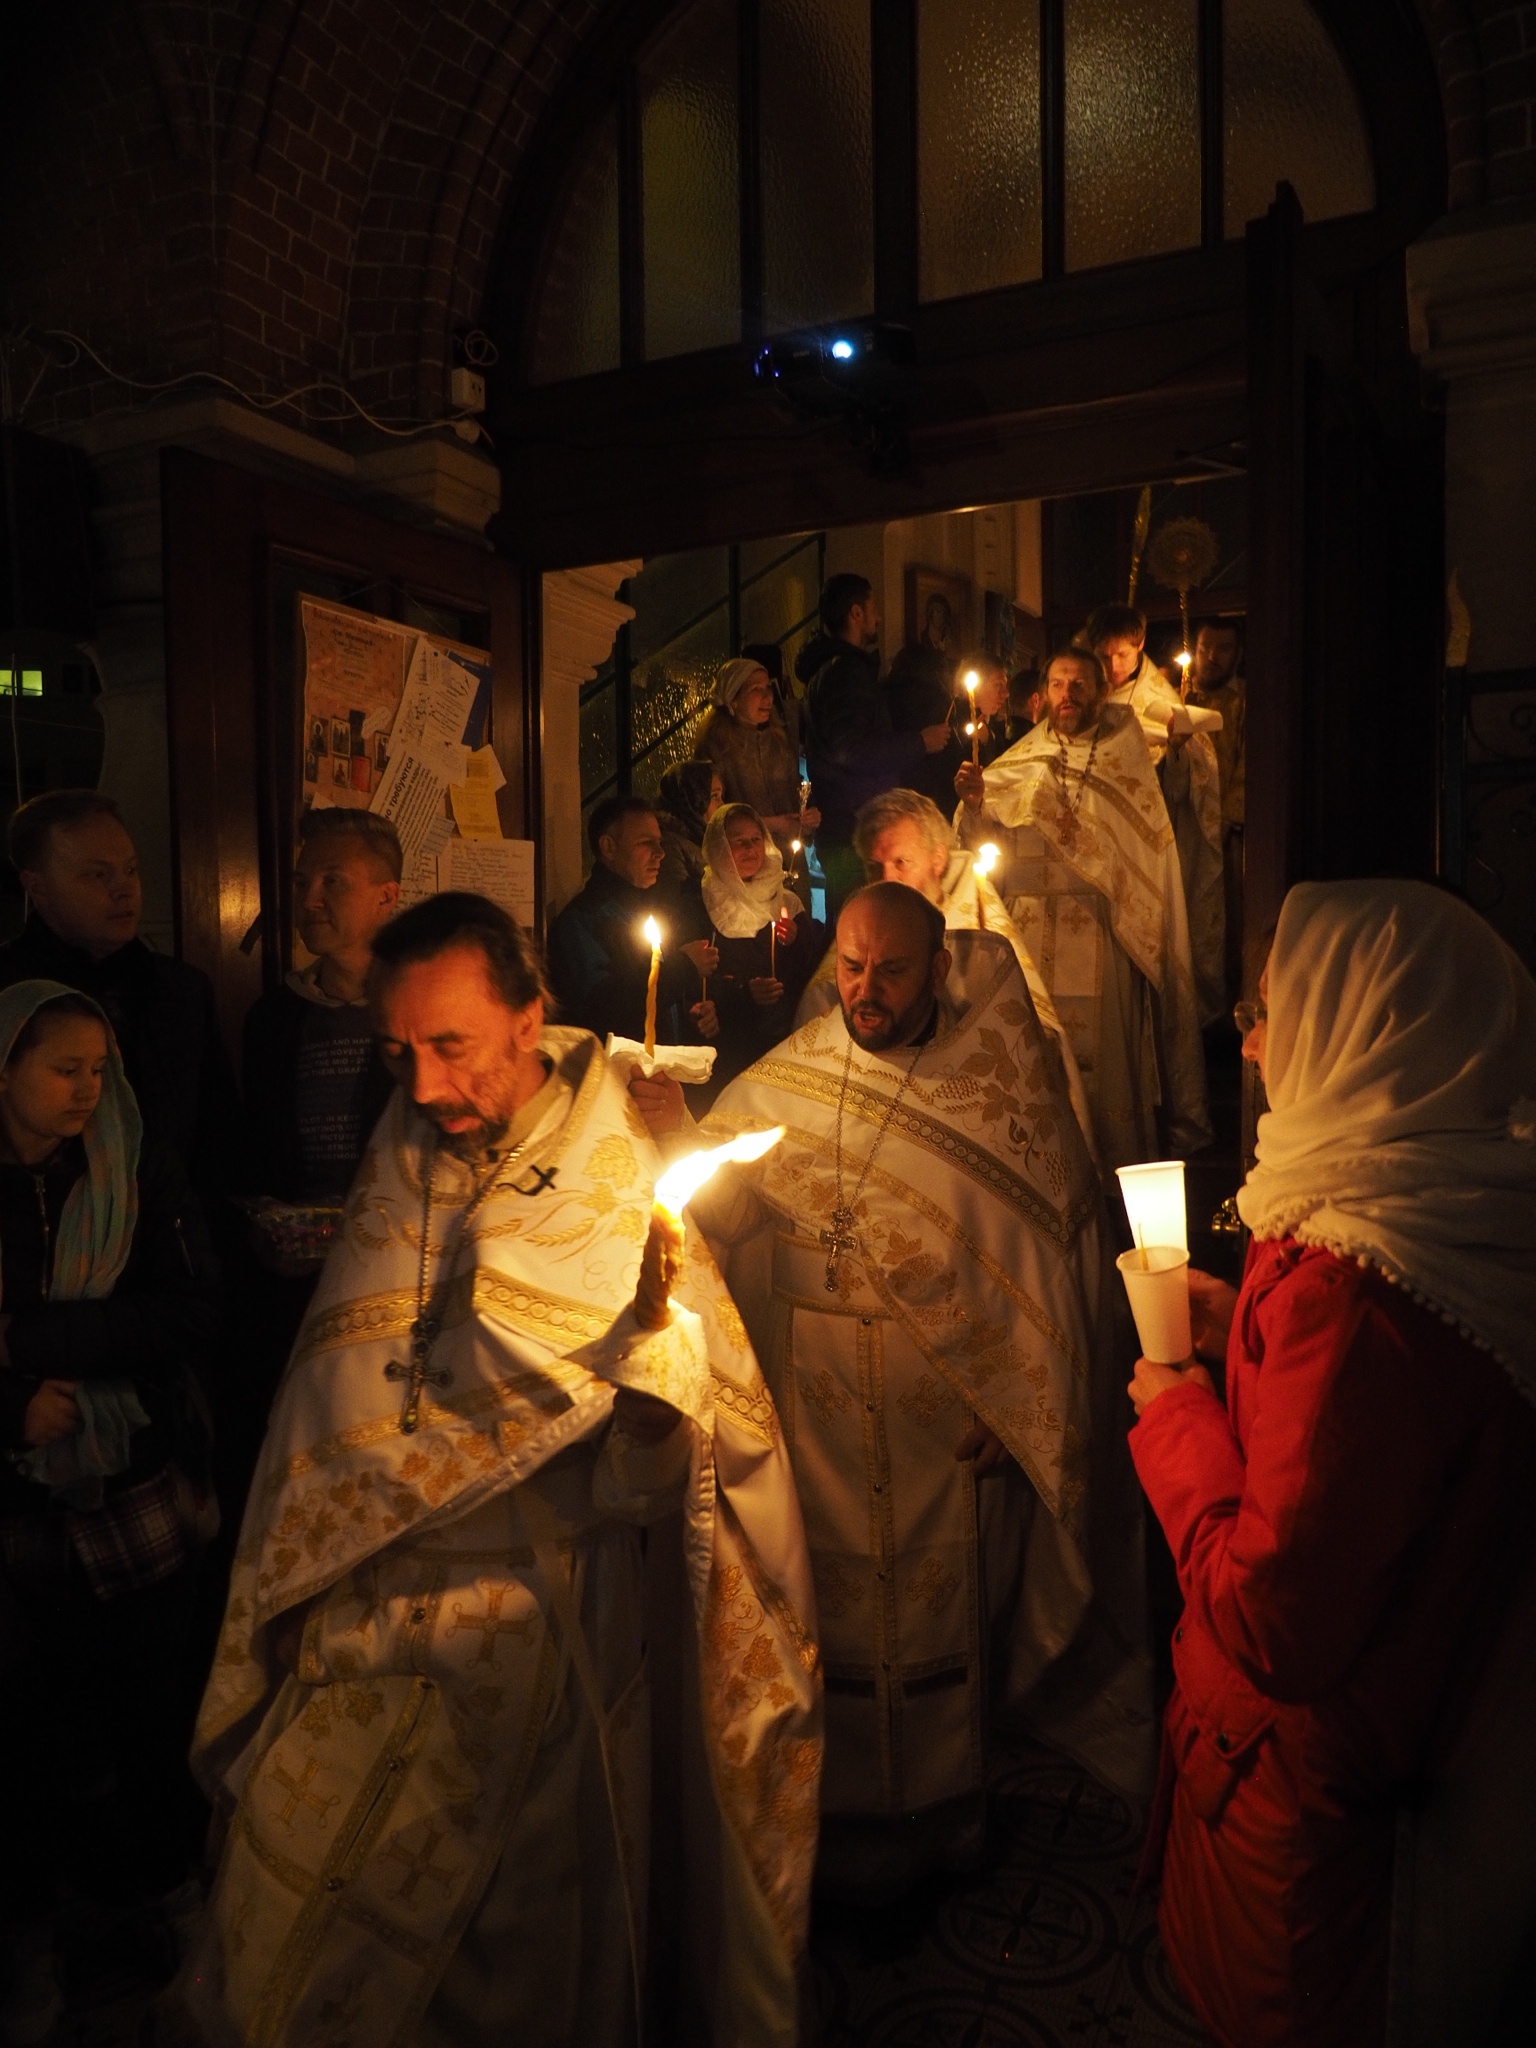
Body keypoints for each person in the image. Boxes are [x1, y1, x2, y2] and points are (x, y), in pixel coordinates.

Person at [183, 894, 821, 2048]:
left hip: (547, 1617)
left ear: (530, 1019)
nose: (423, 1084)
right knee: (288, 1925)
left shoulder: (617, 1181)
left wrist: (649, 1413)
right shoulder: (404, 1146)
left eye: (451, 1045)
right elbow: (338, 1401)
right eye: (398, 1050)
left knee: (518, 1947)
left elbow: (672, 1492)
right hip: (369, 1607)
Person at [637, 885, 1153, 1904]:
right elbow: (722, 1218)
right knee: (827, 1617)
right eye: (851, 965)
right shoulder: (789, 1078)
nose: (864, 989)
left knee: (940, 1618)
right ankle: (830, 1823)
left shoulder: (998, 1096)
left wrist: (1021, 1398)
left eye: (892, 969)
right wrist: (676, 1133)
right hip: (813, 1411)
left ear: (940, 969)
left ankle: (950, 1822)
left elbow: (1053, 1265)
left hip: (944, 1417)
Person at [1126, 879, 1536, 2048]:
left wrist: (1178, 1410)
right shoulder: (1444, 1205)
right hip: (1397, 1735)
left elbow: (1278, 1617)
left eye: (1273, 1007)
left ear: (1372, 1024)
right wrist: (1243, 1335)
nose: (1251, 1043)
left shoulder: (1354, 1285)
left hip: (1308, 1787)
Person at [0, 982, 220, 2041]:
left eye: (100, 1068)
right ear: (5, 1070)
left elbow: (187, 1308)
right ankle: (37, 1935)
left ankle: (168, 1903)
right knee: (30, 1726)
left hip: (132, 1477)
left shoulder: (134, 1163)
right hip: (15, 1498)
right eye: (63, 1068)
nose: (88, 1089)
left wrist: (31, 1342)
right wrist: (9, 1402)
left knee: (148, 1705)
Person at [955, 647, 1211, 1172]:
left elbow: (1145, 857)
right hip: (1029, 932)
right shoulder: (1018, 761)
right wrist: (976, 805)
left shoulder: (1125, 758)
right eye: (1057, 684)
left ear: (1101, 692)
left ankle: (1112, 1177)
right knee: (1036, 1054)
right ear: (1043, 694)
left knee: (1105, 1066)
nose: (1067, 695)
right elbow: (982, 847)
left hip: (1102, 932)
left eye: (1078, 685)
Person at [794, 787, 1095, 1157]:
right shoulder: (851, 940)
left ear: (937, 859)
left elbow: (1032, 1044)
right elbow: (813, 1049)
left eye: (902, 862)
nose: (886, 879)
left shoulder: (981, 939)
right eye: (874, 867)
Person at [0, 790, 239, 1202]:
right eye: (97, 875)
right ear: (37, 887)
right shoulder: (9, 989)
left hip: (170, 1223)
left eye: (130, 870)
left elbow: (219, 1137)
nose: (123, 889)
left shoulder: (181, 990)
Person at [241, 808, 401, 1218]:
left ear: (386, 897)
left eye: (333, 881)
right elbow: (256, 1149)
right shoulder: (273, 1018)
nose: (309, 900)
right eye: (301, 883)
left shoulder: (421, 1012)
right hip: (301, 1246)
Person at [1084, 604, 1225, 1026]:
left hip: (1145, 842)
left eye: (1122, 655)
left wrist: (1179, 751)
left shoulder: (1161, 701)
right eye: (1103, 655)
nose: (1112, 666)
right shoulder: (1082, 691)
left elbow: (1186, 789)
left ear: (1140, 644)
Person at [798, 575, 951, 915]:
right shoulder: (845, 672)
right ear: (856, 613)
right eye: (873, 609)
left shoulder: (834, 670)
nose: (878, 618)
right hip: (852, 827)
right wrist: (920, 742)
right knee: (862, 920)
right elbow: (851, 749)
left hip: (847, 822)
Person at [546, 794, 718, 1048]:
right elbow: (604, 1012)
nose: (660, 853)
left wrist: (688, 1014)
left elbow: (655, 995)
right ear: (608, 847)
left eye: (660, 842)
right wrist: (684, 967)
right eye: (646, 843)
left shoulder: (650, 911)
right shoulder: (581, 923)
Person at [698, 802, 818, 1092]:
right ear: (719, 846)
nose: (751, 849)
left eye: (756, 839)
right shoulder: (703, 904)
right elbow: (699, 983)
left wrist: (795, 941)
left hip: (783, 1037)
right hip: (730, 1045)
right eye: (739, 841)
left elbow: (812, 969)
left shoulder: (786, 901)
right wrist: (744, 993)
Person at [692, 657, 813, 857]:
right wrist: (775, 824)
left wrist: (807, 815)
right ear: (734, 699)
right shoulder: (715, 748)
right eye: (756, 689)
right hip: (746, 856)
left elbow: (793, 787)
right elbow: (715, 815)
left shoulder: (777, 739)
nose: (767, 697)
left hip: (788, 854)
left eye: (768, 688)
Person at [1184, 617, 1246, 1001]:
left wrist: (1227, 817)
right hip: (1181, 823)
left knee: (1226, 917)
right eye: (1204, 648)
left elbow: (1248, 764)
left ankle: (1225, 1003)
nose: (1211, 657)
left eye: (1222, 649)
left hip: (1226, 832)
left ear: (1237, 655)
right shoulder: (1178, 697)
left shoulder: (1244, 702)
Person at [654, 758, 721, 888]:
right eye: (714, 796)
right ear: (693, 798)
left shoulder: (707, 838)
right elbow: (675, 894)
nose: (722, 804)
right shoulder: (668, 845)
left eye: (721, 796)